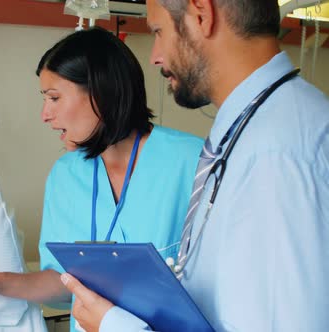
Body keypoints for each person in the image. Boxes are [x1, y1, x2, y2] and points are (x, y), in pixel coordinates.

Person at [61, 0, 329, 331]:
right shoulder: (250, 131)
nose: (155, 56)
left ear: (202, 15)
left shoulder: (277, 151)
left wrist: (114, 325)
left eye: (159, 31)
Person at [0, 27, 204, 331]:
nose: (45, 114)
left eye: (54, 98)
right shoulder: (66, 175)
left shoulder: (194, 162)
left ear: (100, 94)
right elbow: (64, 282)